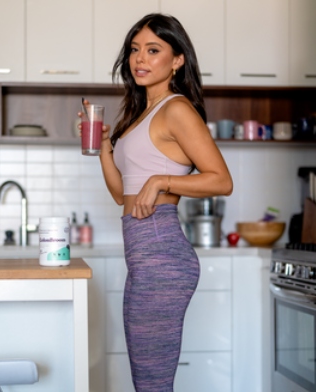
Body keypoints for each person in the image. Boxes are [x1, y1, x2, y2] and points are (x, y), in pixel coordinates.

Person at [84, 13, 233, 391]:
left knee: (151, 384)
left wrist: (163, 180)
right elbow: (123, 196)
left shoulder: (176, 109)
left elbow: (222, 180)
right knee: (148, 381)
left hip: (163, 256)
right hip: (144, 258)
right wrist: (104, 147)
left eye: (153, 50)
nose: (140, 59)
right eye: (135, 50)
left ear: (178, 59)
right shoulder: (138, 115)